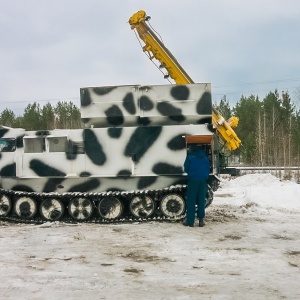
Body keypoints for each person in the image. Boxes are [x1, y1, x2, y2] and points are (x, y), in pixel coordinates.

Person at [183, 144, 210, 227]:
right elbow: (208, 169)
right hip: (203, 181)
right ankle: (201, 220)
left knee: (191, 200)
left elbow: (186, 168)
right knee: (201, 200)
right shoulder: (205, 158)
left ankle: (190, 222)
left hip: (193, 180)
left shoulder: (190, 157)